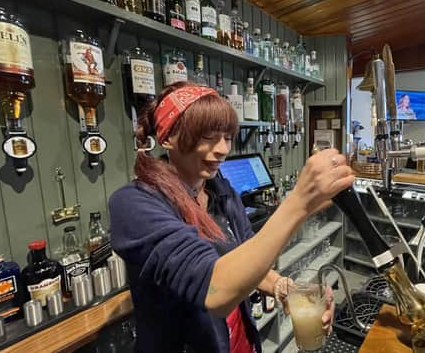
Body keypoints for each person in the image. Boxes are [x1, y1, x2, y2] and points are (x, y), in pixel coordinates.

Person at [109, 82, 354, 353]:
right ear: (168, 138)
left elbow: (246, 254)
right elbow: (214, 290)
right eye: (208, 136)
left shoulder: (219, 190)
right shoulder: (134, 204)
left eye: (227, 137)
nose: (223, 149)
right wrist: (298, 203)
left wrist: (288, 291)